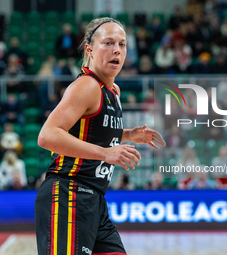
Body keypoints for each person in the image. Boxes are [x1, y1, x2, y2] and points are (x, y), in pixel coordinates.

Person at [35, 17, 166, 255]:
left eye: (122, 44)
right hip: (67, 193)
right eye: (108, 43)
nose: (117, 49)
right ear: (90, 49)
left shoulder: (113, 91)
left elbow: (91, 129)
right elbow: (47, 136)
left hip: (95, 201)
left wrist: (128, 135)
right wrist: (106, 153)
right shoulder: (87, 86)